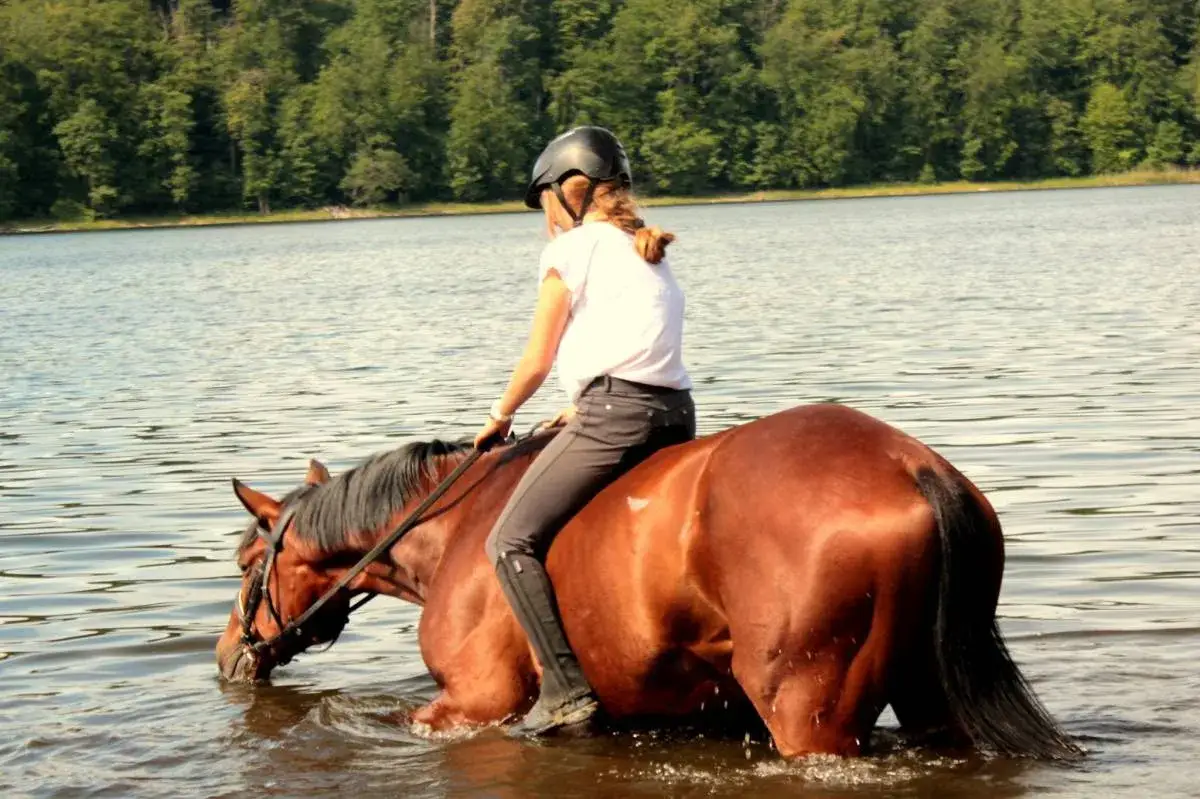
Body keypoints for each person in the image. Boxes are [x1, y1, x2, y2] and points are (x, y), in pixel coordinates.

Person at [473, 126, 696, 736]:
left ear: (570, 192)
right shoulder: (640, 245)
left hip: (617, 417)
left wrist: (499, 417)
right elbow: (637, 344)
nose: (545, 217)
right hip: (673, 412)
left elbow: (536, 360)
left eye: (545, 201)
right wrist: (579, 404)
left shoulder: (572, 251)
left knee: (508, 542)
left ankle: (566, 691)